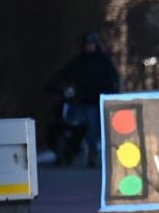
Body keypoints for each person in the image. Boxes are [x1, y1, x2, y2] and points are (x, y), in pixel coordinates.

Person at [48, 32, 120, 167]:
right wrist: (55, 86)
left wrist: (111, 94)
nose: (89, 47)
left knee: (92, 130)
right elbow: (63, 73)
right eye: (87, 44)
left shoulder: (103, 61)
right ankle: (68, 152)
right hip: (79, 101)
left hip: (95, 101)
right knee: (70, 126)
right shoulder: (79, 61)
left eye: (91, 44)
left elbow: (113, 79)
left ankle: (92, 154)